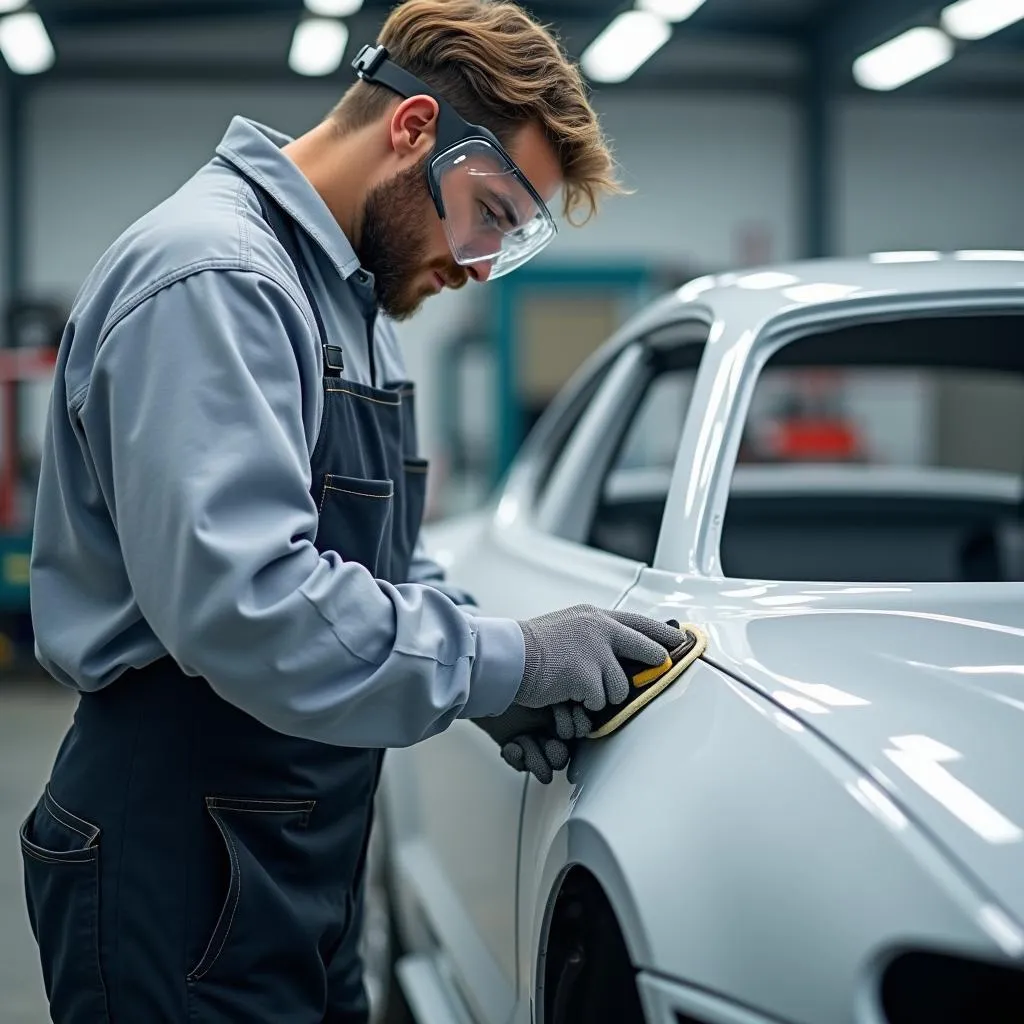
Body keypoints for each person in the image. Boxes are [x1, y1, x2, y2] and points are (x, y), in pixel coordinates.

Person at [20, 1, 686, 1021]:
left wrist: (485, 676)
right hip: (177, 840)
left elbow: (387, 563)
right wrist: (508, 659)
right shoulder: (218, 278)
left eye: (506, 241)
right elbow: (248, 606)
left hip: (296, 839)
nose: (475, 262)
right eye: (489, 212)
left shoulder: (353, 304)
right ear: (413, 127)